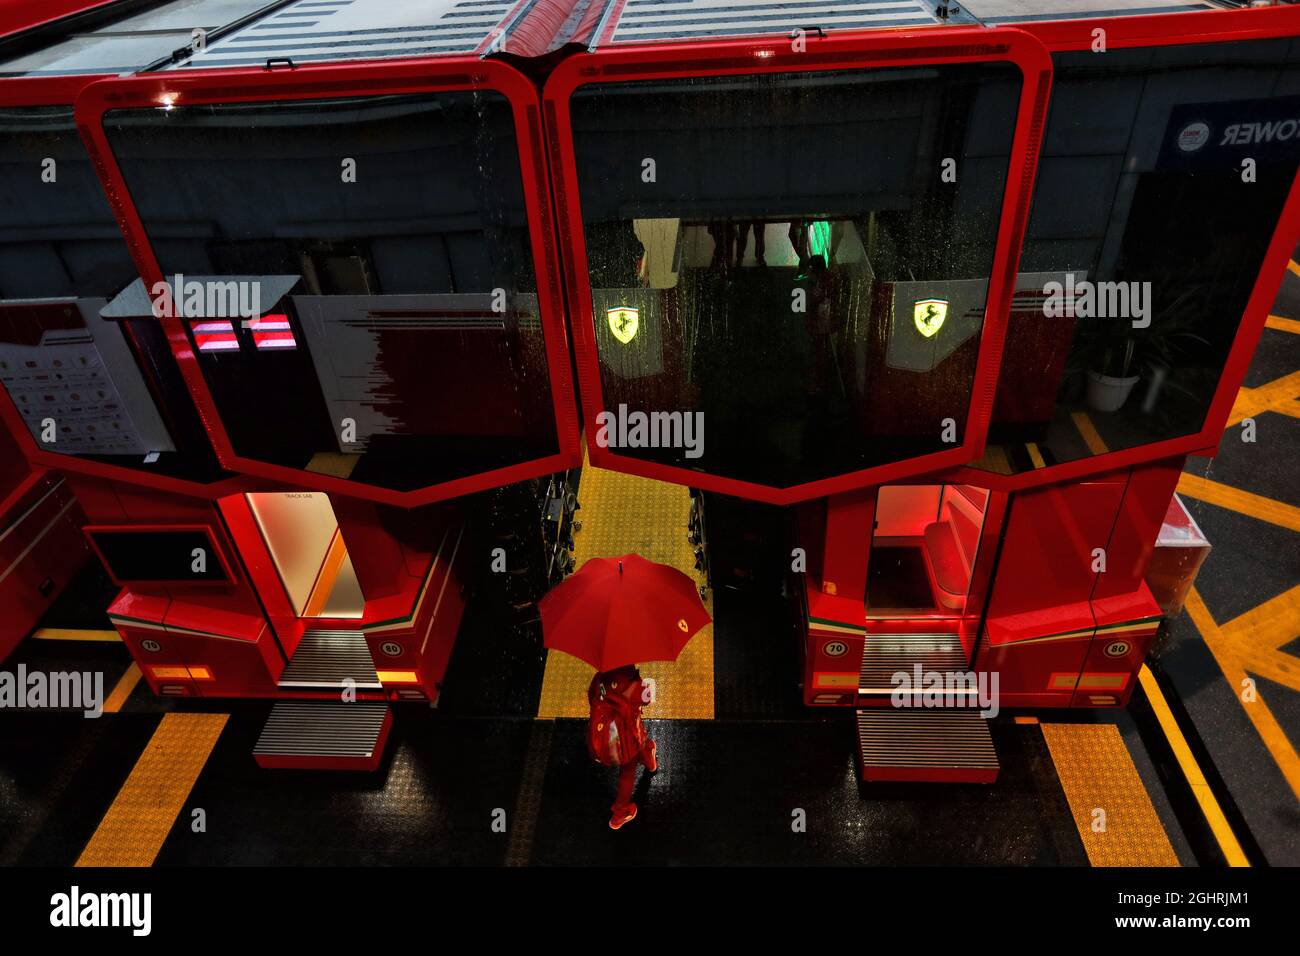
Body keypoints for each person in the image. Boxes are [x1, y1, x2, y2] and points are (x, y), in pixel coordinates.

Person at [587, 663, 658, 830]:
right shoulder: (635, 684)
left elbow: (591, 697)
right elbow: (647, 699)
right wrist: (647, 686)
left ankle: (649, 758)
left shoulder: (600, 678)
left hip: (605, 735)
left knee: (642, 743)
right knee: (628, 770)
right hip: (626, 739)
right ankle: (620, 812)